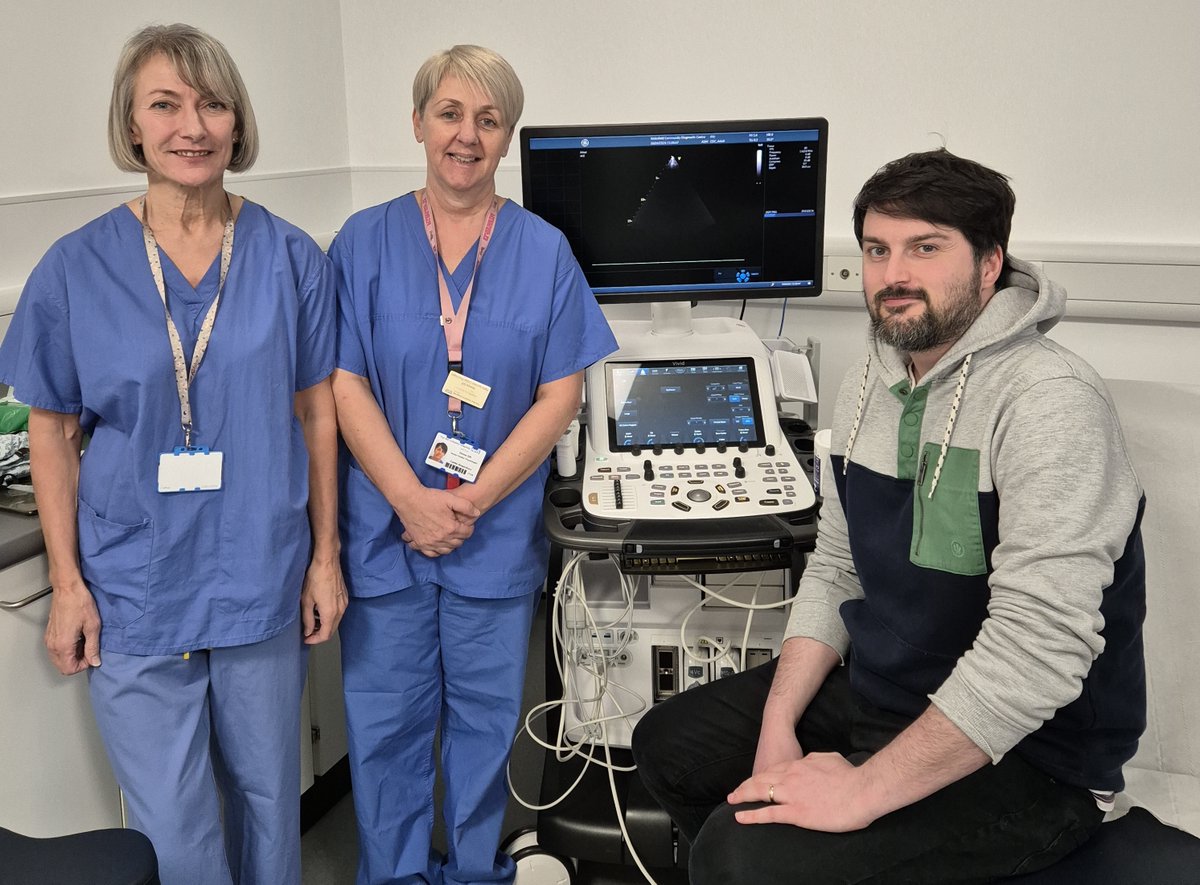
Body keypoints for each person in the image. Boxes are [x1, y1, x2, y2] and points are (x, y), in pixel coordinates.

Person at [631, 148, 1147, 884]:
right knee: (669, 747)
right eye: (878, 249)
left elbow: (1035, 653)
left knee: (737, 853)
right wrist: (778, 727)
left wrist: (861, 790)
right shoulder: (876, 374)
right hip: (890, 691)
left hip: (1036, 753)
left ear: (990, 262)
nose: (893, 274)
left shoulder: (1050, 401)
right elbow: (839, 563)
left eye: (925, 247)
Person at [0, 24, 347, 885]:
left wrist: (325, 557)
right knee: (172, 823)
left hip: (259, 570)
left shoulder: (289, 258)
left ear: (238, 123)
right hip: (134, 586)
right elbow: (50, 427)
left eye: (213, 103)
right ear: (132, 126)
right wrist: (70, 584)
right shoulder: (74, 268)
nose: (192, 125)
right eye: (166, 104)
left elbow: (317, 413)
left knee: (270, 801)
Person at [330, 45, 617, 885]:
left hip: (489, 537)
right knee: (386, 729)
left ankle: (473, 871)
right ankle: (393, 875)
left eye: (488, 120)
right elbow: (344, 382)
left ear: (507, 137)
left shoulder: (544, 250)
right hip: (388, 534)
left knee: (485, 725)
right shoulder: (362, 242)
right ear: (417, 123)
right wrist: (411, 500)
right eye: (450, 114)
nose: (467, 135)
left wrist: (470, 502)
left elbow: (558, 395)